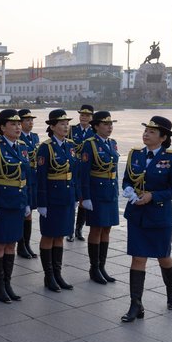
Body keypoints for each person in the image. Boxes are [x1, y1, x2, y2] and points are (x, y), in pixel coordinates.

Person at [120, 116, 172, 322]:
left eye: (152, 132)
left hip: (159, 215)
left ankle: (171, 291)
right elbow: (126, 180)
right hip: (137, 215)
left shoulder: (171, 158)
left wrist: (153, 196)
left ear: (163, 137)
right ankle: (135, 304)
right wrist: (129, 191)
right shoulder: (135, 155)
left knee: (163, 257)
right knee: (138, 257)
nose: (146, 134)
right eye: (146, 130)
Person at [0, 109, 31, 303]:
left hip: (17, 202)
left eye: (19, 124)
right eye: (13, 124)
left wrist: (27, 202)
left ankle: (8, 283)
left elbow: (25, 177)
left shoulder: (22, 146)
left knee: (12, 243)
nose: (18, 127)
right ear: (2, 127)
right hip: (2, 203)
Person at [37, 109, 80, 292]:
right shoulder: (46, 147)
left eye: (67, 123)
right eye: (61, 124)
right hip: (52, 198)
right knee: (48, 236)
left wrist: (76, 196)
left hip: (67, 196)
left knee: (60, 235)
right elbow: (40, 177)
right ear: (52, 127)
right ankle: (49, 276)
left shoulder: (70, 145)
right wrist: (41, 203)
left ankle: (58, 273)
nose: (65, 126)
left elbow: (74, 173)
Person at [80, 111, 120, 285]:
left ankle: (102, 266)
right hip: (96, 192)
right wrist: (85, 196)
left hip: (110, 191)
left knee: (107, 229)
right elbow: (84, 173)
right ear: (96, 126)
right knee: (96, 229)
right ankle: (94, 267)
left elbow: (114, 169)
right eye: (105, 124)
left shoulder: (112, 143)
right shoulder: (89, 144)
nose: (109, 127)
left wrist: (117, 189)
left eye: (111, 124)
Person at [68, 104, 95, 242]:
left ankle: (79, 228)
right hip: (74, 167)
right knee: (72, 198)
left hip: (87, 169)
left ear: (92, 117)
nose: (84, 117)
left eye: (87, 115)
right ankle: (69, 230)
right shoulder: (71, 130)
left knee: (84, 198)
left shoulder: (95, 132)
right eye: (82, 115)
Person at [17, 108, 39, 259]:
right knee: (23, 213)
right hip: (22, 178)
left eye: (31, 120)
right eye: (27, 120)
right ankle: (21, 245)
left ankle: (27, 243)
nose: (30, 123)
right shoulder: (17, 139)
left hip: (33, 178)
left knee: (30, 213)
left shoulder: (35, 137)